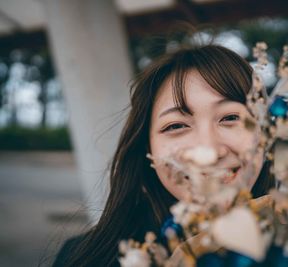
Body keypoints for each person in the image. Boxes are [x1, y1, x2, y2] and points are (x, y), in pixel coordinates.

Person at [52, 44, 275, 267]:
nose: (209, 152)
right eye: (176, 125)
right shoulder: (84, 258)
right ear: (147, 148)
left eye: (230, 118)